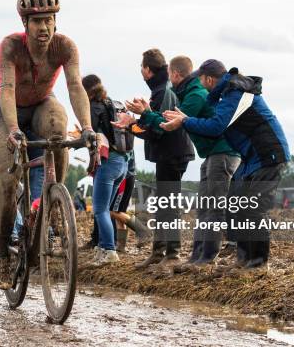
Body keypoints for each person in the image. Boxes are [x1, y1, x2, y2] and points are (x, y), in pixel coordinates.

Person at [0, 0, 94, 289]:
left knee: (59, 129)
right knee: (9, 180)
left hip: (41, 102)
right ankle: (1, 258)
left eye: (49, 20)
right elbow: (7, 88)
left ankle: (53, 202)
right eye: (37, 22)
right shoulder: (10, 46)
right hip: (7, 106)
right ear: (26, 25)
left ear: (55, 22)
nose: (44, 27)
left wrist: (86, 127)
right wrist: (14, 131)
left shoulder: (65, 47)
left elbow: (75, 86)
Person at [162, 60, 290, 269]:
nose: (201, 85)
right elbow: (217, 119)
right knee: (235, 205)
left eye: (201, 80)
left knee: (254, 210)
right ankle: (242, 260)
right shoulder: (227, 94)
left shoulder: (236, 91)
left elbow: (216, 127)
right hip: (251, 157)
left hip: (269, 154)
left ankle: (257, 265)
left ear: (209, 79)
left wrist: (185, 121)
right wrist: (187, 118)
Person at [118, 56, 241, 269]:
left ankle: (179, 254)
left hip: (175, 152)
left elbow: (163, 127)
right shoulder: (177, 91)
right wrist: (140, 120)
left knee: (176, 204)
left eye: (141, 67)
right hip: (187, 152)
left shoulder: (181, 93)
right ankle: (182, 255)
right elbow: (162, 122)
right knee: (181, 205)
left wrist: (138, 121)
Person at [129, 49, 195, 271]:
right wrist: (132, 124)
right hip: (171, 151)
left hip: (172, 152)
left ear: (147, 70)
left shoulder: (162, 91)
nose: (141, 71)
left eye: (141, 67)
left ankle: (172, 254)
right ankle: (158, 253)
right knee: (163, 203)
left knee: (168, 204)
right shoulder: (161, 88)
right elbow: (153, 126)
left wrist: (132, 125)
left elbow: (159, 129)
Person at [79, 74, 128, 266]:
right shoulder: (111, 103)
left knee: (100, 210)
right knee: (105, 209)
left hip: (107, 164)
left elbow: (89, 135)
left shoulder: (93, 107)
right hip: (122, 163)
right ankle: (101, 249)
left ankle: (109, 250)